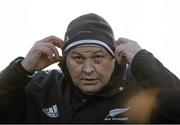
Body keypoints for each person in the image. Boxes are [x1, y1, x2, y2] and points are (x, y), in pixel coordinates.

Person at [0, 13, 179, 123]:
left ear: (115, 57)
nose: (88, 69)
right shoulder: (42, 87)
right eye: (78, 58)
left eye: (98, 57)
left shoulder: (141, 90)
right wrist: (20, 71)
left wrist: (143, 61)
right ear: (64, 60)